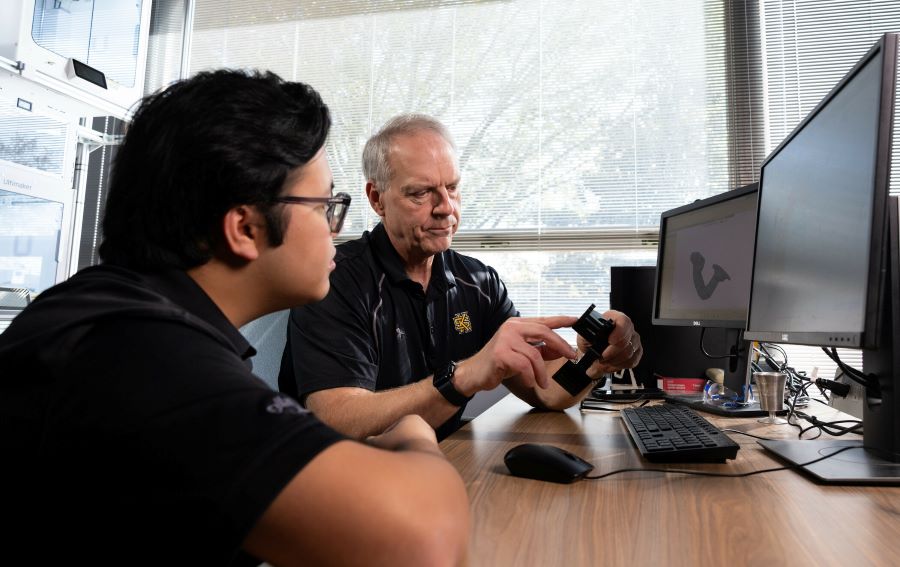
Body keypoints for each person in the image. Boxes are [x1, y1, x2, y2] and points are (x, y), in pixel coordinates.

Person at [0, 73, 469, 566]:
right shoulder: (145, 361)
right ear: (245, 227)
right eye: (324, 207)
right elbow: (425, 542)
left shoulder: (116, 315)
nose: (336, 230)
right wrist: (413, 432)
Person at [278, 113, 643, 440]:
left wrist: (595, 359)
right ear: (377, 199)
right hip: (342, 483)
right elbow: (340, 419)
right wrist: (464, 376)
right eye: (421, 193)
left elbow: (548, 391)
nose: (446, 208)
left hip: (437, 467)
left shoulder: (478, 282)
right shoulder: (335, 279)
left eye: (451, 188)